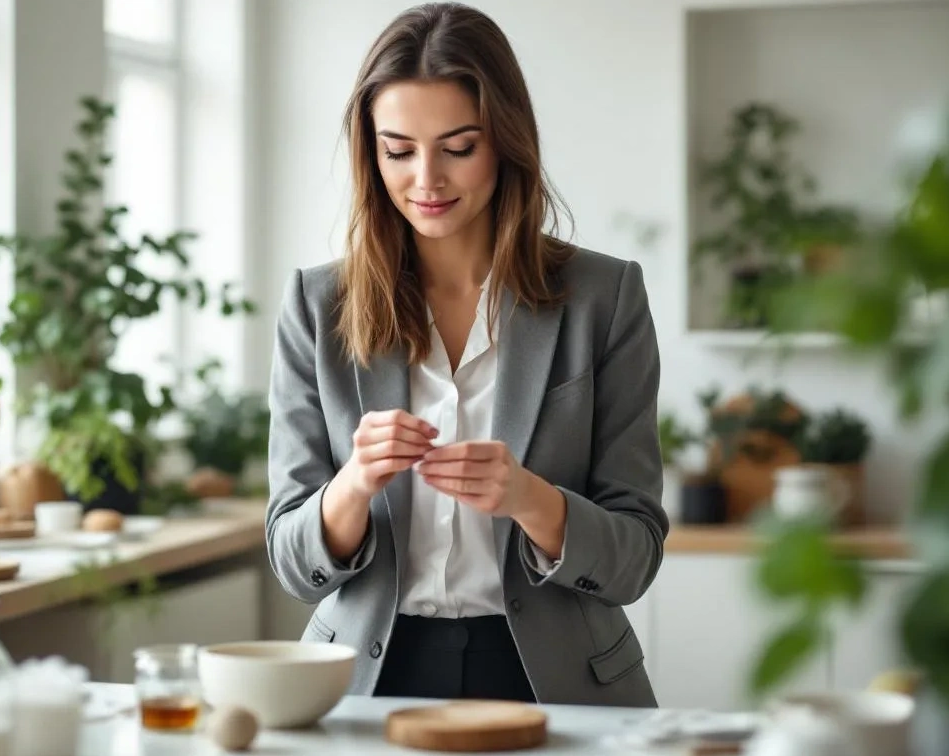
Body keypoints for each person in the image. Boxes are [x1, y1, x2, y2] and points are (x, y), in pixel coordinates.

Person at [265, 2, 667, 708]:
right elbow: (292, 563)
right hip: (366, 681)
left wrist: (532, 501)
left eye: (458, 147)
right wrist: (354, 485)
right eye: (398, 150)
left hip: (558, 682)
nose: (427, 179)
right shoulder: (316, 305)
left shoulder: (605, 297)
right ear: (371, 152)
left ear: (506, 142)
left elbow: (635, 557)